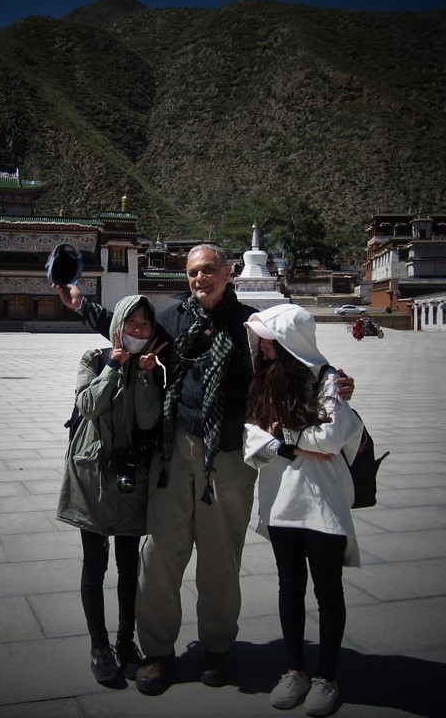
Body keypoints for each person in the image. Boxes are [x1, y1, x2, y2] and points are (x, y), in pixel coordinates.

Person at [54, 244, 355, 695]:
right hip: (173, 451)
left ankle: (216, 648)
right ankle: (156, 651)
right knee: (159, 554)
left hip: (230, 456)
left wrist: (332, 376)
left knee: (220, 557)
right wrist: (83, 306)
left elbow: (294, 354)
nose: (200, 279)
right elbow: (129, 330)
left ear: (229, 273)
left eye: (209, 270)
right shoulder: (173, 321)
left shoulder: (251, 325)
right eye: (194, 272)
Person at [243, 303, 363, 716]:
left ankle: (327, 675)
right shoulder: (262, 380)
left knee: (328, 590)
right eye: (260, 340)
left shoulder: (330, 380)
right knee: (289, 586)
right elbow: (253, 434)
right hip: (280, 501)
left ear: (290, 342)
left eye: (269, 340)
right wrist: (282, 442)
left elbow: (330, 438)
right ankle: (295, 669)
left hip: (323, 502)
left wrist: (285, 436)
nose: (262, 347)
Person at [55, 295, 166, 684]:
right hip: (93, 475)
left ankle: (125, 640)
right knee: (94, 564)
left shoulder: (152, 367)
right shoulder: (94, 358)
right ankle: (99, 644)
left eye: (145, 325)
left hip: (130, 476)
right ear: (118, 324)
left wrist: (147, 375)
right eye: (131, 323)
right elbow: (88, 406)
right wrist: (115, 366)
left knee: (129, 563)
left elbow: (150, 420)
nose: (138, 331)